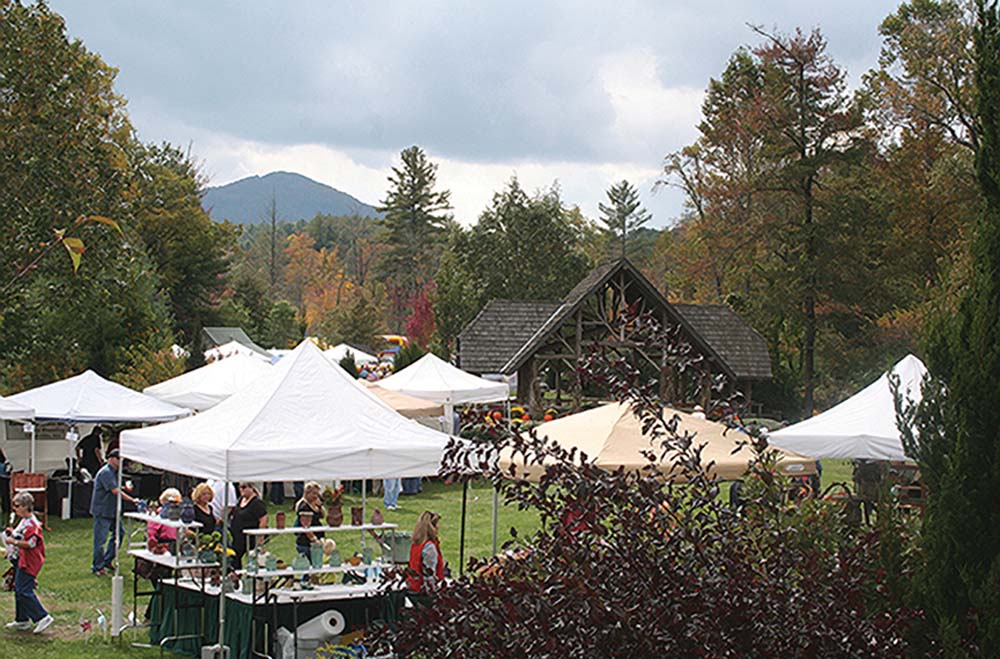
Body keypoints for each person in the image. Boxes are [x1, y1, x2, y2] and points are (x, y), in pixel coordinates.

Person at [4, 491, 53, 633]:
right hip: (20, 559)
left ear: (26, 506)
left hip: (30, 561)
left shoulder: (33, 524)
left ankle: (42, 616)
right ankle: (22, 620)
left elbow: (31, 544)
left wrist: (14, 541)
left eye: (17, 505)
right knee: (18, 590)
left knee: (23, 590)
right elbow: (20, 535)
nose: (15, 508)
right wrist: (12, 534)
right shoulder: (24, 521)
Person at [89, 449, 137, 575]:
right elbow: (114, 491)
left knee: (120, 534)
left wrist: (124, 488)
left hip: (112, 511)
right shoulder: (106, 472)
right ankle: (97, 566)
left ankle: (107, 560)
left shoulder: (115, 472)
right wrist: (132, 500)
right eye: (118, 459)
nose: (120, 462)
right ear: (111, 459)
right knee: (100, 540)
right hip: (103, 511)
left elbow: (115, 486)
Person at [229, 483, 267, 570]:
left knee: (252, 561)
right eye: (239, 487)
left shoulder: (257, 503)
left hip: (250, 538)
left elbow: (263, 519)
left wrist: (260, 538)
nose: (241, 490)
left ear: (251, 488)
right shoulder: (240, 500)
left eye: (244, 487)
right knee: (234, 559)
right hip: (238, 537)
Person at [406, 511, 444, 594]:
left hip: (413, 586)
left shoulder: (416, 544)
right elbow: (429, 575)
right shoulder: (429, 547)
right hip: (424, 591)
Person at [293, 481, 325, 558]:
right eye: (314, 493)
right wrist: (315, 540)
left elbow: (323, 516)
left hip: (315, 539)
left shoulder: (314, 504)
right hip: (306, 542)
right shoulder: (304, 506)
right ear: (307, 493)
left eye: (317, 494)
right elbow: (305, 526)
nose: (316, 496)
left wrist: (320, 506)